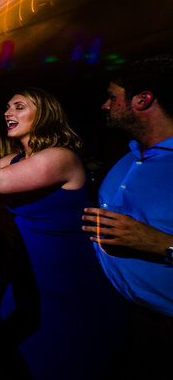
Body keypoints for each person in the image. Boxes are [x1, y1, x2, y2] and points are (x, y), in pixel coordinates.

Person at [0, 88, 127, 380]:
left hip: (70, 290)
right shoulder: (12, 160)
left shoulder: (62, 157)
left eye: (19, 107)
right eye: (8, 107)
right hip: (24, 285)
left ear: (44, 115)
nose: (8, 113)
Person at [81, 55, 173, 377]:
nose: (105, 106)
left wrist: (162, 244)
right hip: (121, 322)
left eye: (111, 97)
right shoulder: (125, 161)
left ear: (142, 100)